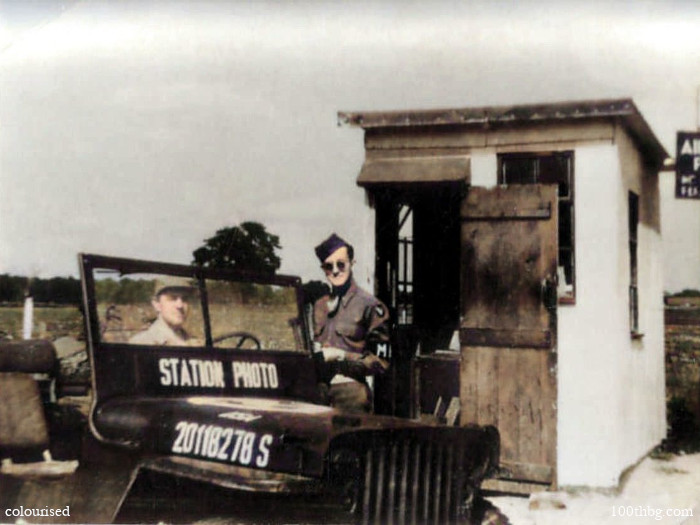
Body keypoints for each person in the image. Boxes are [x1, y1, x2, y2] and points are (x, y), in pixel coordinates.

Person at [312, 233, 390, 413]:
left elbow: (381, 363)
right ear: (323, 269)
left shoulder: (370, 305)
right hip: (318, 392)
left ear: (352, 263)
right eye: (329, 266)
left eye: (341, 264)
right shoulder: (320, 305)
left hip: (351, 393)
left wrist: (341, 355)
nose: (335, 271)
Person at [129, 277, 199, 346]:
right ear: (157, 304)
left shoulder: (196, 343)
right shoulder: (142, 343)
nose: (180, 305)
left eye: (185, 299)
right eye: (173, 298)